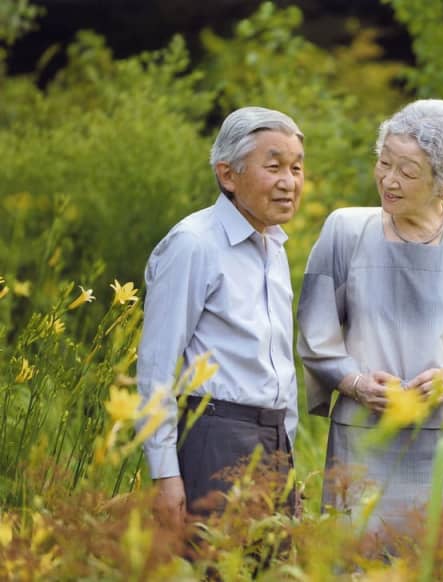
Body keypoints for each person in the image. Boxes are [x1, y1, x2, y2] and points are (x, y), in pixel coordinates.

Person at [297, 99, 443, 536]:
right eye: (384, 163)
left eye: (408, 172)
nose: (389, 180)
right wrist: (356, 384)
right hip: (363, 440)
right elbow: (315, 336)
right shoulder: (344, 231)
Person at [136, 106, 305, 532]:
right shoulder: (194, 244)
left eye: (296, 167)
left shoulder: (275, 248)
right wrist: (165, 474)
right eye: (274, 167)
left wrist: (289, 462)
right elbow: (156, 365)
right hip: (214, 440)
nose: (289, 182)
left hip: (274, 443)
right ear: (228, 175)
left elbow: (279, 367)